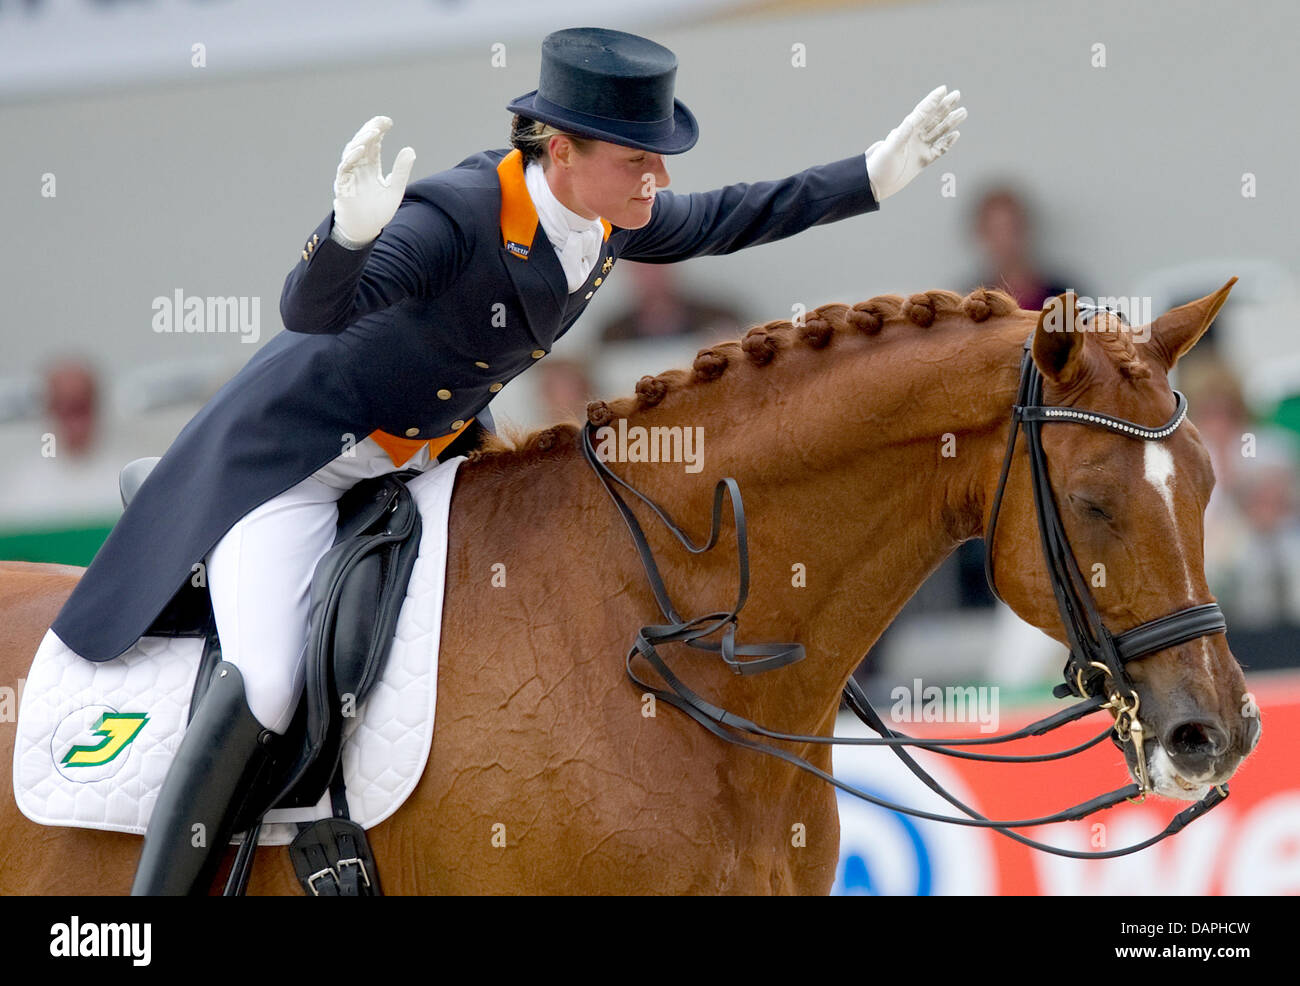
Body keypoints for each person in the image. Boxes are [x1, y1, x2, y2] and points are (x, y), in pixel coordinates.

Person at [47, 26, 967, 894]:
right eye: (635, 157)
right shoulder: (451, 219)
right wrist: (350, 237)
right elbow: (314, 309)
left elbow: (733, 214)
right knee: (271, 679)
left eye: (659, 158)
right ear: (559, 149)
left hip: (415, 462)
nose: (657, 177)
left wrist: (873, 178)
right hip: (294, 470)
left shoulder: (606, 217)